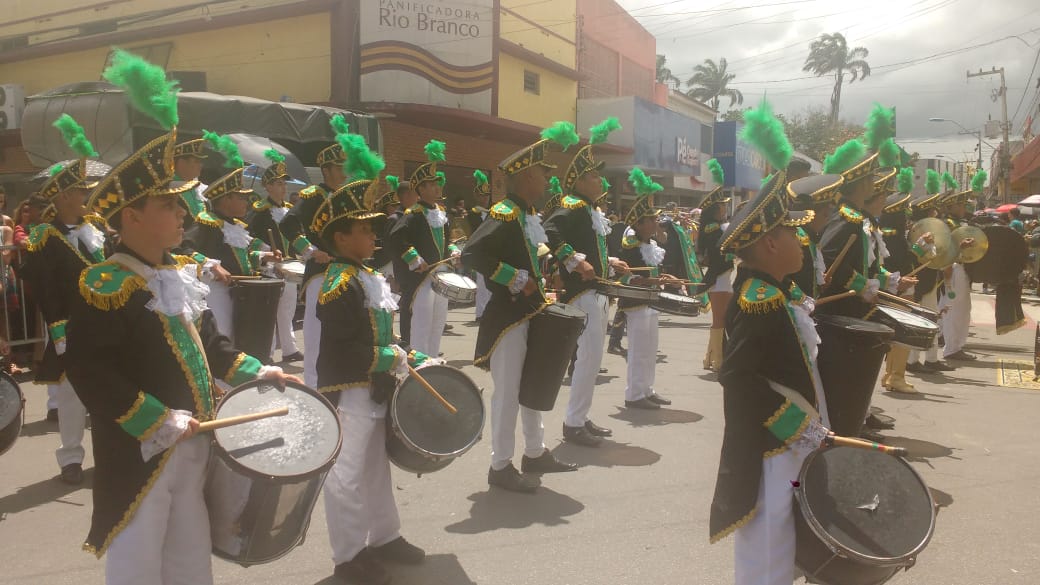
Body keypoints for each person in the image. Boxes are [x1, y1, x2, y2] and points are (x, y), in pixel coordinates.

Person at [63, 49, 299, 585]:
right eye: (171, 206)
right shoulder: (107, 284)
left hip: (193, 444)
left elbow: (210, 343)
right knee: (139, 562)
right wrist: (158, 418)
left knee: (191, 561)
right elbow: (91, 372)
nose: (183, 216)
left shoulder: (175, 275)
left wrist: (257, 373)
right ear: (133, 215)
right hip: (141, 452)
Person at [312, 133, 432, 585]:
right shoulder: (338, 282)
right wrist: (389, 356)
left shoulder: (364, 276)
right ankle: (348, 554)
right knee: (345, 473)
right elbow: (344, 347)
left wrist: (407, 352)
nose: (371, 234)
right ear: (340, 237)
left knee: (374, 467)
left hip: (376, 385)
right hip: (351, 389)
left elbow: (381, 333)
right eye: (362, 229)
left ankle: (385, 536)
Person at [708, 169, 829, 585]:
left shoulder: (776, 292)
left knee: (781, 538)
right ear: (771, 243)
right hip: (772, 445)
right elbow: (737, 378)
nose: (801, 242)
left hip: (786, 441)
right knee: (768, 542)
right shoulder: (759, 300)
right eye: (793, 234)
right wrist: (796, 426)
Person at [462, 123, 579, 493]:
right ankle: (500, 465)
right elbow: (473, 253)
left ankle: (535, 451)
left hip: (530, 313)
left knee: (531, 386)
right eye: (544, 175)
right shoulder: (504, 212)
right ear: (528, 175)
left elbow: (532, 253)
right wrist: (516, 278)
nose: (547, 182)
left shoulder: (526, 215)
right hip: (509, 317)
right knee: (509, 392)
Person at [23, 117, 111, 485]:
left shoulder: (98, 230)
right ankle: (71, 458)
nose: (87, 195)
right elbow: (44, 286)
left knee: (109, 389)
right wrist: (58, 328)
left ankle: (109, 451)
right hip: (70, 324)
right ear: (62, 196)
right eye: (80, 190)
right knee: (73, 394)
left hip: (106, 320)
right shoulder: (44, 236)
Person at [543, 117, 629, 445]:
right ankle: (574, 423)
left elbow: (591, 248)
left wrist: (610, 263)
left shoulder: (587, 208)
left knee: (591, 361)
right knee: (587, 359)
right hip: (583, 295)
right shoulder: (573, 205)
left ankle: (580, 417)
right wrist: (575, 261)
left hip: (597, 292)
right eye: (594, 176)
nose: (599, 180)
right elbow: (551, 231)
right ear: (579, 180)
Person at [184, 133, 279, 342]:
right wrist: (212, 266)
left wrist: (263, 257)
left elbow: (238, 256)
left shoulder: (234, 225)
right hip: (215, 291)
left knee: (238, 340)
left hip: (238, 292)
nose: (246, 202)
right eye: (241, 197)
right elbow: (184, 249)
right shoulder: (207, 222)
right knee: (223, 338)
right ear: (226, 199)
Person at [278, 121, 344, 386]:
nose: (344, 172)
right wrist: (310, 250)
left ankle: (333, 380)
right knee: (316, 332)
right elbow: (288, 224)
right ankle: (314, 386)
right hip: (320, 273)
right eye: (339, 167)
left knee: (337, 331)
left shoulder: (343, 196)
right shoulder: (314, 195)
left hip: (342, 271)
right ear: (326, 170)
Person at [389, 140, 459, 357]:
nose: (438, 187)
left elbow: (447, 242)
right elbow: (396, 238)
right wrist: (414, 259)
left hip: (441, 275)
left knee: (438, 322)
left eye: (438, 183)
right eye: (432, 184)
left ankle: (433, 360)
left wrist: (453, 251)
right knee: (421, 324)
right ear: (420, 188)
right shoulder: (414, 214)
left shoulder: (441, 213)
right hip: (422, 280)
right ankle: (419, 365)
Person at [615, 169, 674, 410]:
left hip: (650, 302)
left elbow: (649, 273)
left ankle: (647, 390)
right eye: (650, 220)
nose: (655, 223)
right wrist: (647, 281)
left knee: (650, 351)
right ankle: (634, 395)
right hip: (635, 303)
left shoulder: (649, 243)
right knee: (638, 351)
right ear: (638, 224)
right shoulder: (629, 246)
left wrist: (662, 278)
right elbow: (625, 277)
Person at [247, 149, 303, 362]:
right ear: (268, 186)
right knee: (269, 312)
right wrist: (265, 249)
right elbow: (247, 236)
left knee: (287, 310)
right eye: (279, 183)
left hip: (289, 265)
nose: (283, 187)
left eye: (284, 183)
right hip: (269, 267)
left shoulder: (290, 210)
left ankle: (289, 349)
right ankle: (267, 353)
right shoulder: (259, 210)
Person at [907, 170, 954, 373]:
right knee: (921, 320)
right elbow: (926, 256)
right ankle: (912, 360)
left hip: (928, 281)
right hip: (920, 283)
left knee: (930, 319)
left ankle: (931, 358)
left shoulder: (921, 231)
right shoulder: (917, 233)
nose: (935, 214)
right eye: (932, 212)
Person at [696, 164, 734, 371]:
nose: (725, 209)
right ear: (714, 209)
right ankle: (718, 360)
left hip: (725, 279)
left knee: (723, 320)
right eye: (722, 206)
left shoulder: (719, 227)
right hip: (718, 279)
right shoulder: (712, 229)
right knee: (719, 320)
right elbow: (720, 253)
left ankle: (712, 358)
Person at [786, 173, 844, 300]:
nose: (828, 216)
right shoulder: (798, 239)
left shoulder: (808, 237)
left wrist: (817, 284)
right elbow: (784, 279)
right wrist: (803, 300)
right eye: (825, 211)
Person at [939, 172, 978, 361]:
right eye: (960, 204)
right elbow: (947, 249)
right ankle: (951, 348)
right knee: (954, 309)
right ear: (950, 206)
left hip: (960, 268)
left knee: (963, 309)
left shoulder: (958, 223)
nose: (964, 207)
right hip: (952, 269)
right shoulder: (946, 224)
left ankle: (956, 345)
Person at [470, 170, 493, 322]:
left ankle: (490, 312)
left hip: (492, 252)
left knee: (491, 284)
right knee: (482, 284)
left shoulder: (492, 213)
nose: (485, 199)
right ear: (477, 197)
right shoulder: (472, 214)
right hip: (479, 252)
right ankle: (480, 313)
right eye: (482, 196)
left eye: (487, 196)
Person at [171, 138, 209, 230]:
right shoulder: (169, 189)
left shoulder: (199, 188)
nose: (201, 165)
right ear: (181, 163)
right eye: (196, 161)